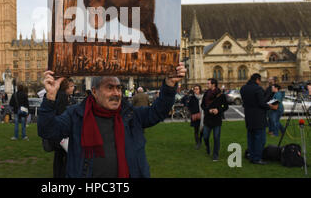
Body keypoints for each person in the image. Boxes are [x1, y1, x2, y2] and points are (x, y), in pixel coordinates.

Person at [38, 63, 186, 178]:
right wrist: (50, 97)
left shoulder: (131, 115)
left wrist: (169, 84)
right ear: (94, 91)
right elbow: (47, 130)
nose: (116, 93)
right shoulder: (76, 115)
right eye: (110, 88)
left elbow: (158, 112)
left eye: (118, 88)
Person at [240, 73, 276, 165]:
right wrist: (269, 106)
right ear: (257, 80)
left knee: (251, 138)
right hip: (258, 117)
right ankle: (257, 158)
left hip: (248, 116)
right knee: (260, 140)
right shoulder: (258, 89)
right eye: (259, 81)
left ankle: (251, 156)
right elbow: (261, 103)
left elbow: (246, 102)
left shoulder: (243, 88)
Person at [52, 78, 76, 178]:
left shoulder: (61, 95)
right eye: (71, 86)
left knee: (59, 156)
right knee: (63, 155)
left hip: (58, 131)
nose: (73, 88)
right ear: (66, 87)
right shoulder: (63, 97)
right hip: (62, 132)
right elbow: (63, 114)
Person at [201, 78, 228, 162]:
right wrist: (207, 110)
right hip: (207, 119)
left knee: (216, 138)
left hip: (217, 119)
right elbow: (202, 105)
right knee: (205, 136)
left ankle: (215, 155)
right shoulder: (206, 94)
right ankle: (207, 147)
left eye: (208, 83)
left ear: (213, 84)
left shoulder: (221, 95)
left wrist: (218, 110)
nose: (207, 85)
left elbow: (226, 106)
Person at [187, 85, 204, 150]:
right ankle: (198, 143)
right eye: (195, 89)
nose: (195, 90)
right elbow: (189, 106)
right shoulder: (192, 97)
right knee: (196, 130)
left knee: (202, 130)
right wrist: (193, 113)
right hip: (195, 116)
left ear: (200, 90)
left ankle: (200, 141)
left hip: (202, 116)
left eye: (197, 89)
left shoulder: (203, 97)